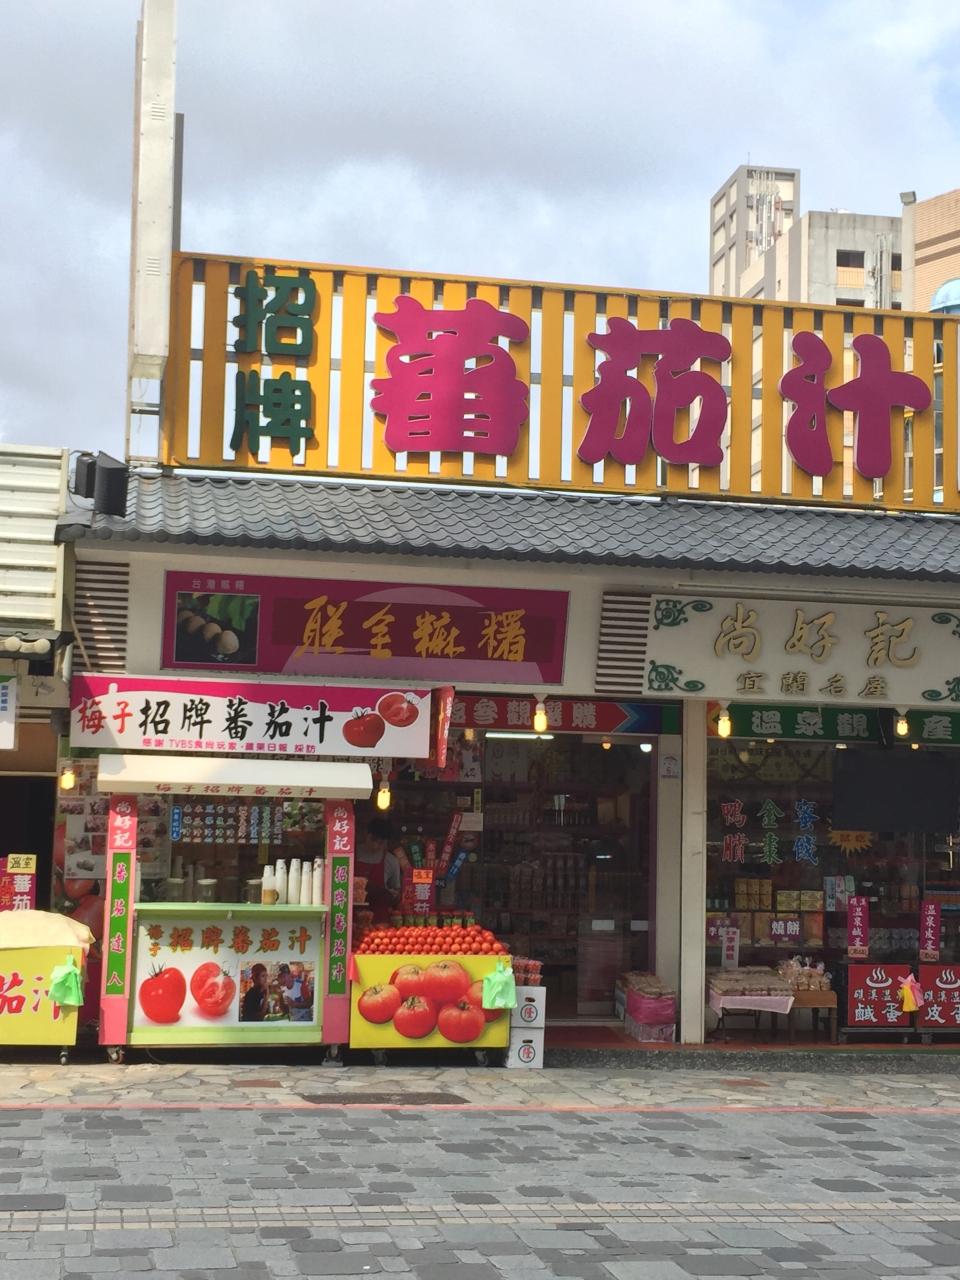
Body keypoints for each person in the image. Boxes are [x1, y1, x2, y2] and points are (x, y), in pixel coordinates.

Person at [355, 816, 402, 923]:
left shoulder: (391, 861)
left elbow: (396, 892)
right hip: (353, 917)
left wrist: (393, 895)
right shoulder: (351, 854)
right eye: (373, 840)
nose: (375, 846)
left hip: (379, 920)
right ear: (366, 834)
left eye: (381, 843)